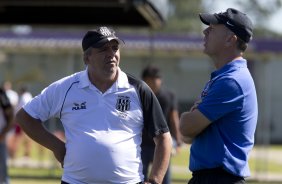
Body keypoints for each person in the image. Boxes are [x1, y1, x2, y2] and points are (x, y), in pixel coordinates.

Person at [15, 26, 172, 184]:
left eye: (115, 48)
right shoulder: (66, 87)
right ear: (87, 58)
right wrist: (56, 146)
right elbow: (24, 117)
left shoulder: (138, 89)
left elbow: (164, 138)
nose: (111, 54)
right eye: (103, 49)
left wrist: (155, 180)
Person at [179, 8, 258, 184]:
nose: (205, 31)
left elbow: (186, 127)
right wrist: (191, 122)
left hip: (219, 179)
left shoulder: (232, 81)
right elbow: (187, 136)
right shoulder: (223, 78)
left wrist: (188, 118)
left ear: (231, 39)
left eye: (213, 28)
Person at [141, 65, 182, 184]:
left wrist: (178, 141)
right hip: (141, 144)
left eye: (158, 78)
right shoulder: (137, 95)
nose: (156, 81)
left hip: (162, 144)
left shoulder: (169, 96)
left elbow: (174, 119)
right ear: (144, 79)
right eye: (152, 78)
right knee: (139, 178)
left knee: (163, 179)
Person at [0, 87, 14, 184]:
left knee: (2, 173)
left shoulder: (1, 93)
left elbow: (11, 114)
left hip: (0, 137)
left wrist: (3, 133)